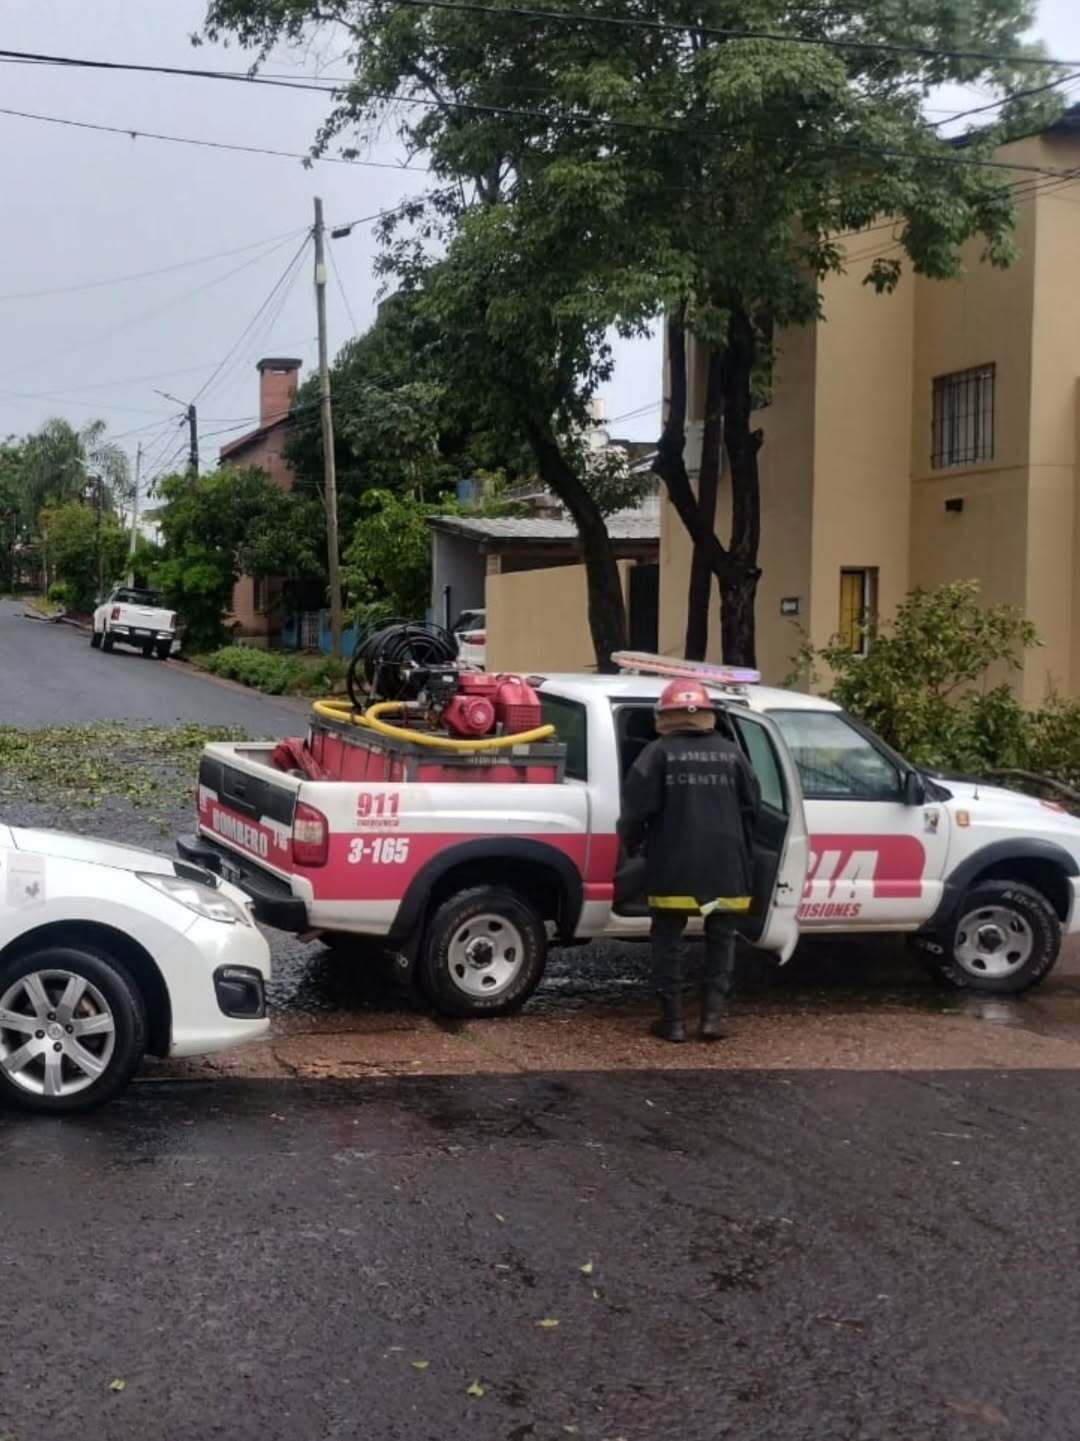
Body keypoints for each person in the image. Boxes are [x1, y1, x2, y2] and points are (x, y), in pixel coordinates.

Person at [618, 679, 761, 1044]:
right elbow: (753, 808)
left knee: (668, 939)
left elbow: (634, 813)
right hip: (727, 864)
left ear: (665, 716)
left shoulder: (656, 754)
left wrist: (632, 850)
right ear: (707, 715)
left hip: (674, 861)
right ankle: (712, 1019)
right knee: (722, 938)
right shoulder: (733, 754)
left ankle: (674, 1022)